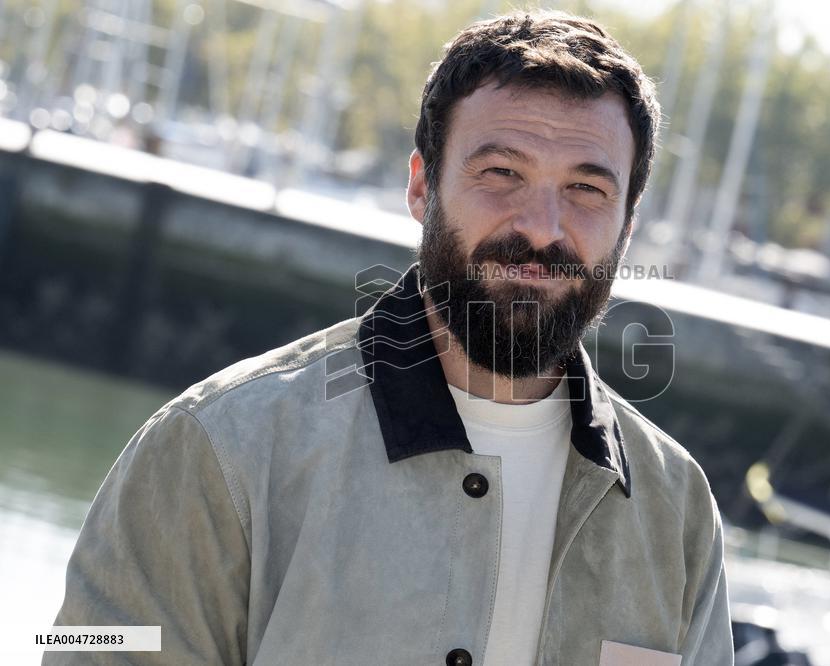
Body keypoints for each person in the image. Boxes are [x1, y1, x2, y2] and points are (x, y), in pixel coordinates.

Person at [46, 9, 733, 665]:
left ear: (628, 226)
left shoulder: (678, 513)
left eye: (586, 188)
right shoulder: (214, 448)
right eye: (502, 173)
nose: (544, 227)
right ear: (420, 186)